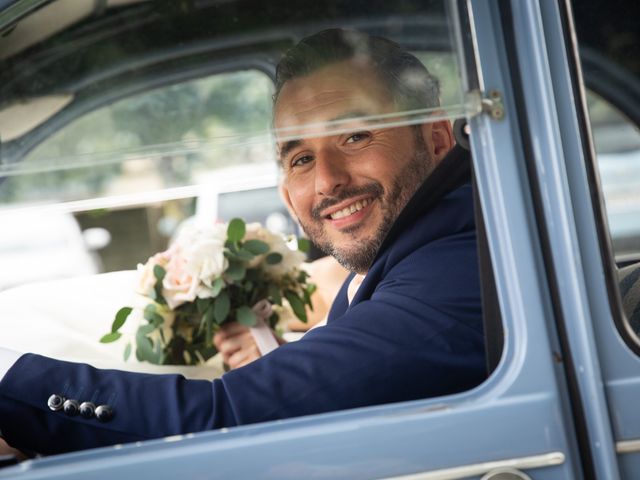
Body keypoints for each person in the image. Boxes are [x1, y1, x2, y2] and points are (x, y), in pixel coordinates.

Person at [0, 28, 486, 456]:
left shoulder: (454, 268)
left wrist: (10, 391)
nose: (327, 182)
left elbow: (220, 419)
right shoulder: (420, 243)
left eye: (354, 137)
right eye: (300, 159)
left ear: (437, 140)